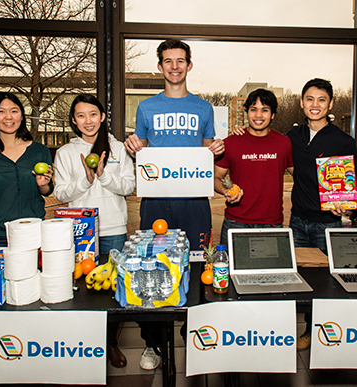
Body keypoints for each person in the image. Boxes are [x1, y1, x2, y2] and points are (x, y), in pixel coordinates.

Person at [124, 38, 224, 370]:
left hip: (194, 204)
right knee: (151, 267)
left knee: (198, 269)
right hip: (156, 202)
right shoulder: (146, 108)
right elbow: (140, 146)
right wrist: (133, 144)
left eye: (181, 60)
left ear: (189, 66)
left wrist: (217, 150)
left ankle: (194, 332)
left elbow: (208, 151)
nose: (175, 66)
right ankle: (153, 342)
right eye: (168, 61)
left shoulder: (203, 108)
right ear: (160, 67)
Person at [53, 93, 135, 368]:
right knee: (83, 290)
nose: (88, 121)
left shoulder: (118, 148)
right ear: (74, 121)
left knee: (113, 289)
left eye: (93, 114)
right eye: (81, 116)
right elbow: (60, 193)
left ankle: (110, 342)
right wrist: (86, 182)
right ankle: (85, 344)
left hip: (113, 229)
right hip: (80, 231)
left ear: (102, 117)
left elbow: (127, 187)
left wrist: (103, 175)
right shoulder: (65, 153)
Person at [287, 78, 357, 350]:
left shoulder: (343, 141)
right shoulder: (292, 137)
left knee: (325, 282)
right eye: (310, 99)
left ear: (330, 104)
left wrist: (350, 206)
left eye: (321, 99)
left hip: (327, 224)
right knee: (297, 278)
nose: (315, 105)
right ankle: (291, 329)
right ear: (301, 102)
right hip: (297, 220)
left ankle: (316, 332)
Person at [0, 92, 54, 247]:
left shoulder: (40, 151)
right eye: (1, 111)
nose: (8, 117)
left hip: (32, 233)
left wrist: (43, 184)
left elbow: (47, 191)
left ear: (21, 115)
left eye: (14, 111)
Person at [214, 88, 293, 244]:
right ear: (247, 112)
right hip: (236, 222)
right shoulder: (231, 142)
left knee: (272, 269)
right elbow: (216, 177)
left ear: (273, 115)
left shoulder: (284, 142)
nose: (258, 115)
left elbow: (301, 175)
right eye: (253, 109)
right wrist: (226, 190)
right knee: (229, 268)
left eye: (264, 110)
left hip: (272, 223)